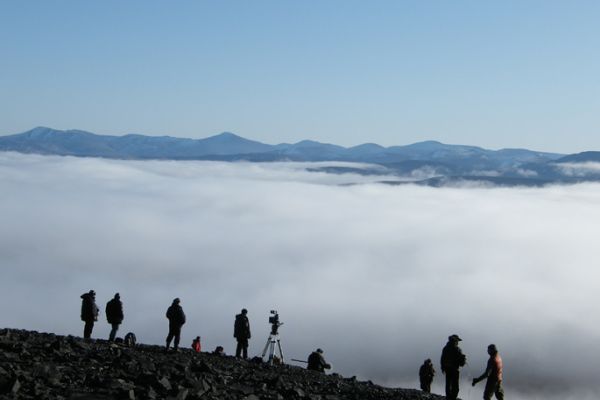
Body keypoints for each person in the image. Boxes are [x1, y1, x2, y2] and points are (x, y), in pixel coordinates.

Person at [440, 334, 467, 400]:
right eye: (457, 341)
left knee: (448, 384)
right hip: (455, 370)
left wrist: (443, 367)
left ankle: (448, 397)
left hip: (447, 369)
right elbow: (461, 363)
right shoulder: (457, 349)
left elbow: (442, 359)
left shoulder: (445, 348)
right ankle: (452, 398)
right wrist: (463, 358)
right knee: (455, 386)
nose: (458, 342)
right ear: (455, 341)